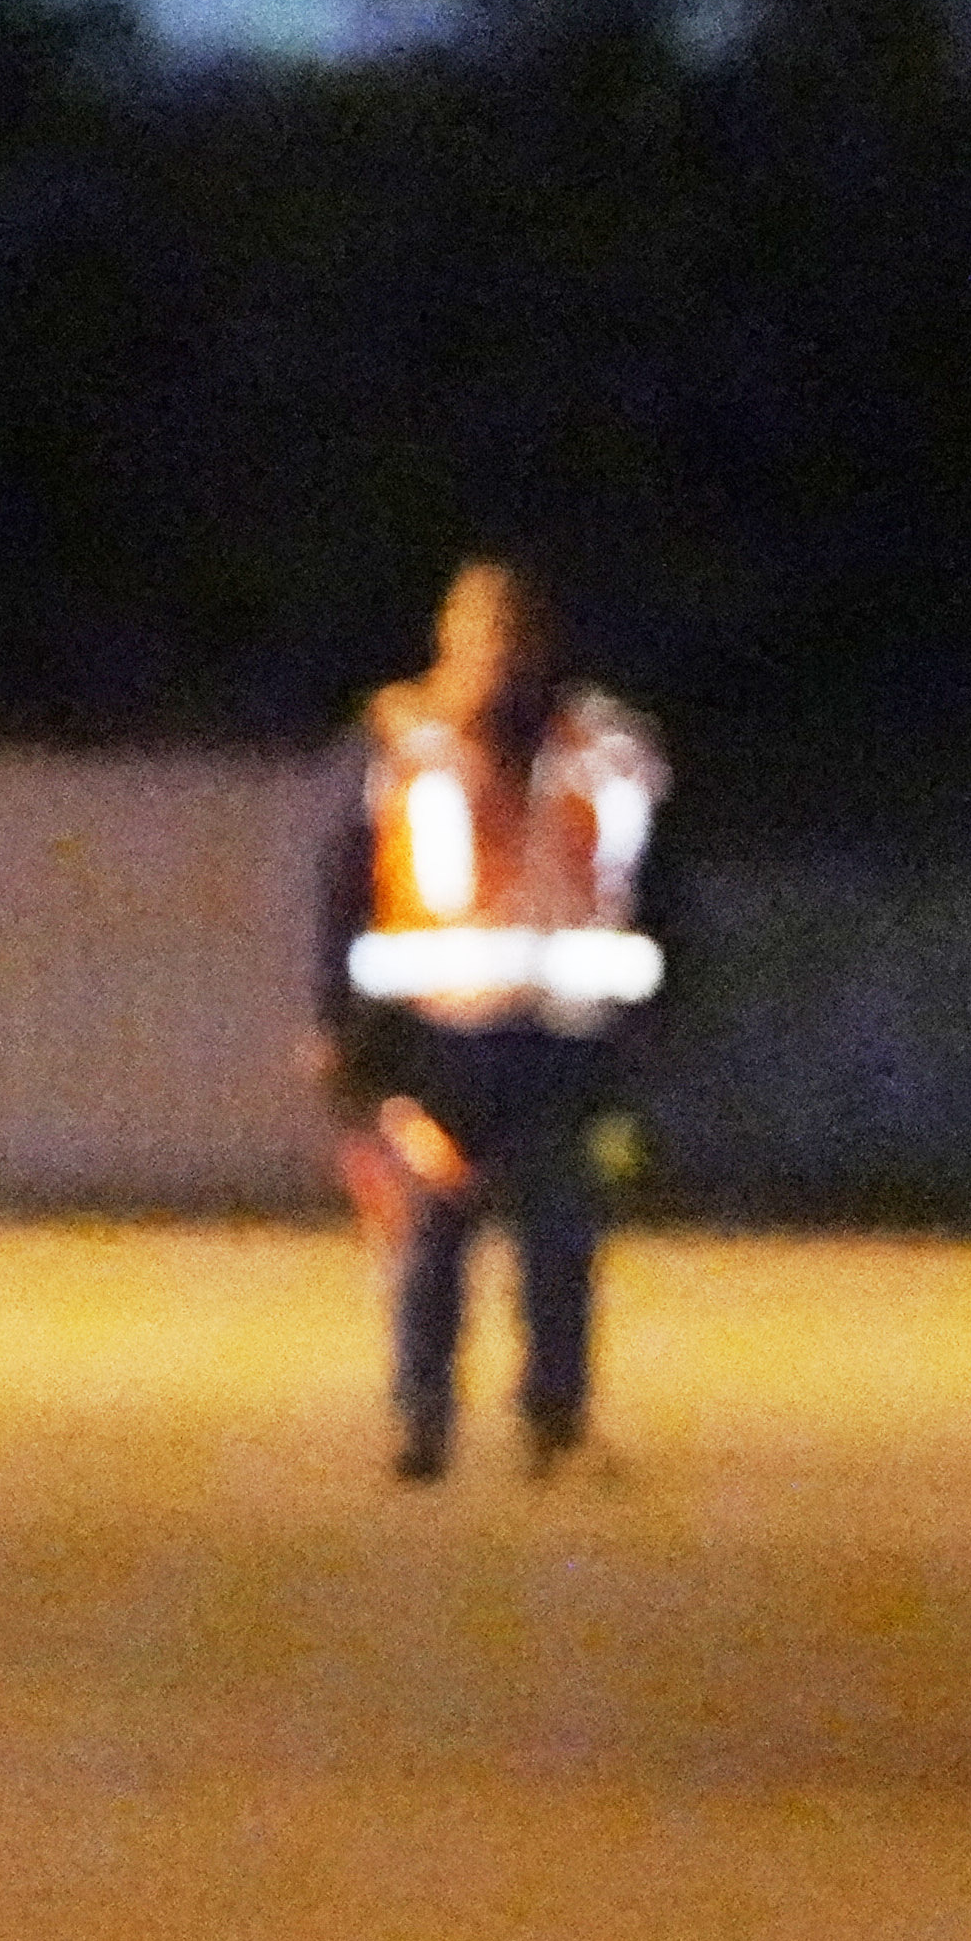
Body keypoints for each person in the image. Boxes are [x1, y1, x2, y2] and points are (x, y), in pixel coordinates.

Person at [310, 559, 668, 1486]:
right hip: (435, 1035)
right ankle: (419, 1423)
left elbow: (659, 897)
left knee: (561, 1234)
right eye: (478, 635)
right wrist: (336, 1030)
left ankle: (555, 1421)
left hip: (565, 1034)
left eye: (510, 637)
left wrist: (651, 1024)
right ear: (445, 639)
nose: (496, 658)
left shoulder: (607, 746)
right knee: (431, 1236)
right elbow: (339, 887)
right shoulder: (396, 741)